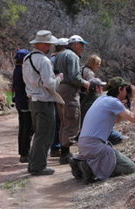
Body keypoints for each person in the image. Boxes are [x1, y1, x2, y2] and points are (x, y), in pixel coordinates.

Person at [69, 76, 135, 184]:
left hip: (83, 145)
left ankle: (79, 162)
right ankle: (90, 168)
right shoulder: (113, 102)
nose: (127, 92)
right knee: (130, 167)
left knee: (109, 158)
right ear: (120, 89)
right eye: (126, 89)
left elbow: (117, 120)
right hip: (95, 146)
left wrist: (125, 104)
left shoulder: (102, 99)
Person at [22, 30, 64, 176]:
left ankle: (34, 164)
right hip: (43, 101)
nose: (51, 46)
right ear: (45, 45)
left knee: (39, 134)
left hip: (33, 100)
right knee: (45, 134)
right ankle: (38, 167)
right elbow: (50, 84)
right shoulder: (44, 61)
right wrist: (59, 78)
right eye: (49, 44)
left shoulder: (27, 58)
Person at [54, 35, 90, 164]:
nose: (83, 48)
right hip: (69, 91)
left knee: (64, 121)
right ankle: (64, 154)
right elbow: (74, 76)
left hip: (59, 90)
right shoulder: (72, 56)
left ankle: (64, 151)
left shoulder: (59, 55)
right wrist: (85, 83)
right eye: (82, 45)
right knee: (71, 120)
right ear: (76, 44)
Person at [80, 78, 124, 145]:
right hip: (93, 133)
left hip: (82, 131)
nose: (102, 88)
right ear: (97, 88)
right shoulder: (100, 99)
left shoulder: (85, 99)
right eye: (101, 86)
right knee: (118, 137)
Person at [12, 49, 32, 163]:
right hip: (25, 102)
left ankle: (22, 151)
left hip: (19, 102)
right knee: (28, 128)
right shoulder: (23, 71)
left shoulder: (16, 69)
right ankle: (25, 154)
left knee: (23, 127)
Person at [49, 38, 68, 158]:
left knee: (57, 122)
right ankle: (56, 147)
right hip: (57, 94)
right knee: (58, 122)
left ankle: (55, 147)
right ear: (63, 48)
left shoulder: (51, 59)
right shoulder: (57, 60)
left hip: (53, 94)